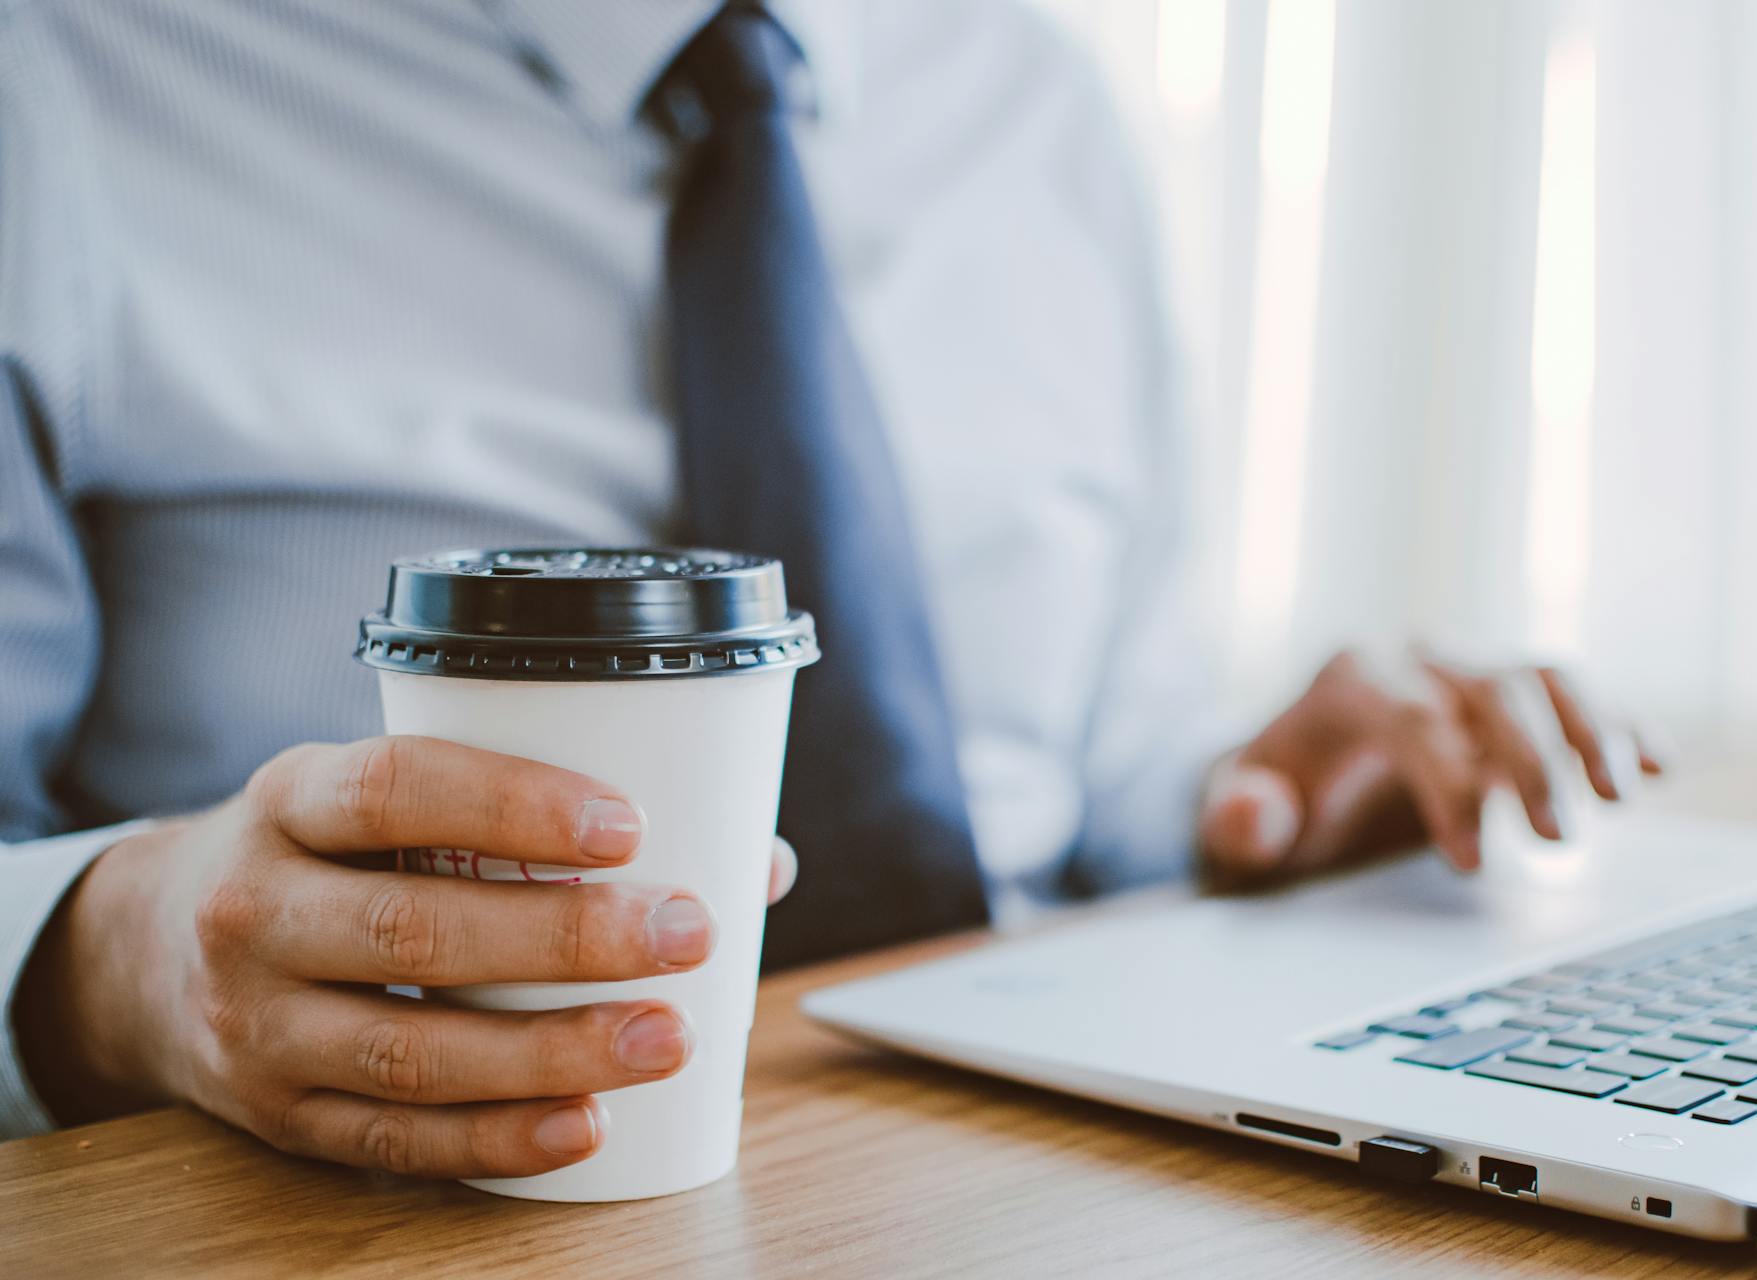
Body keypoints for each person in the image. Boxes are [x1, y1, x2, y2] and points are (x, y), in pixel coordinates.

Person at [0, 0, 1656, 1180]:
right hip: (413, 1210)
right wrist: (110, 960)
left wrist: (1252, 799)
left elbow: (1085, 767)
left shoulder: (1042, 105)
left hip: (1037, 1175)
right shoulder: (65, 74)